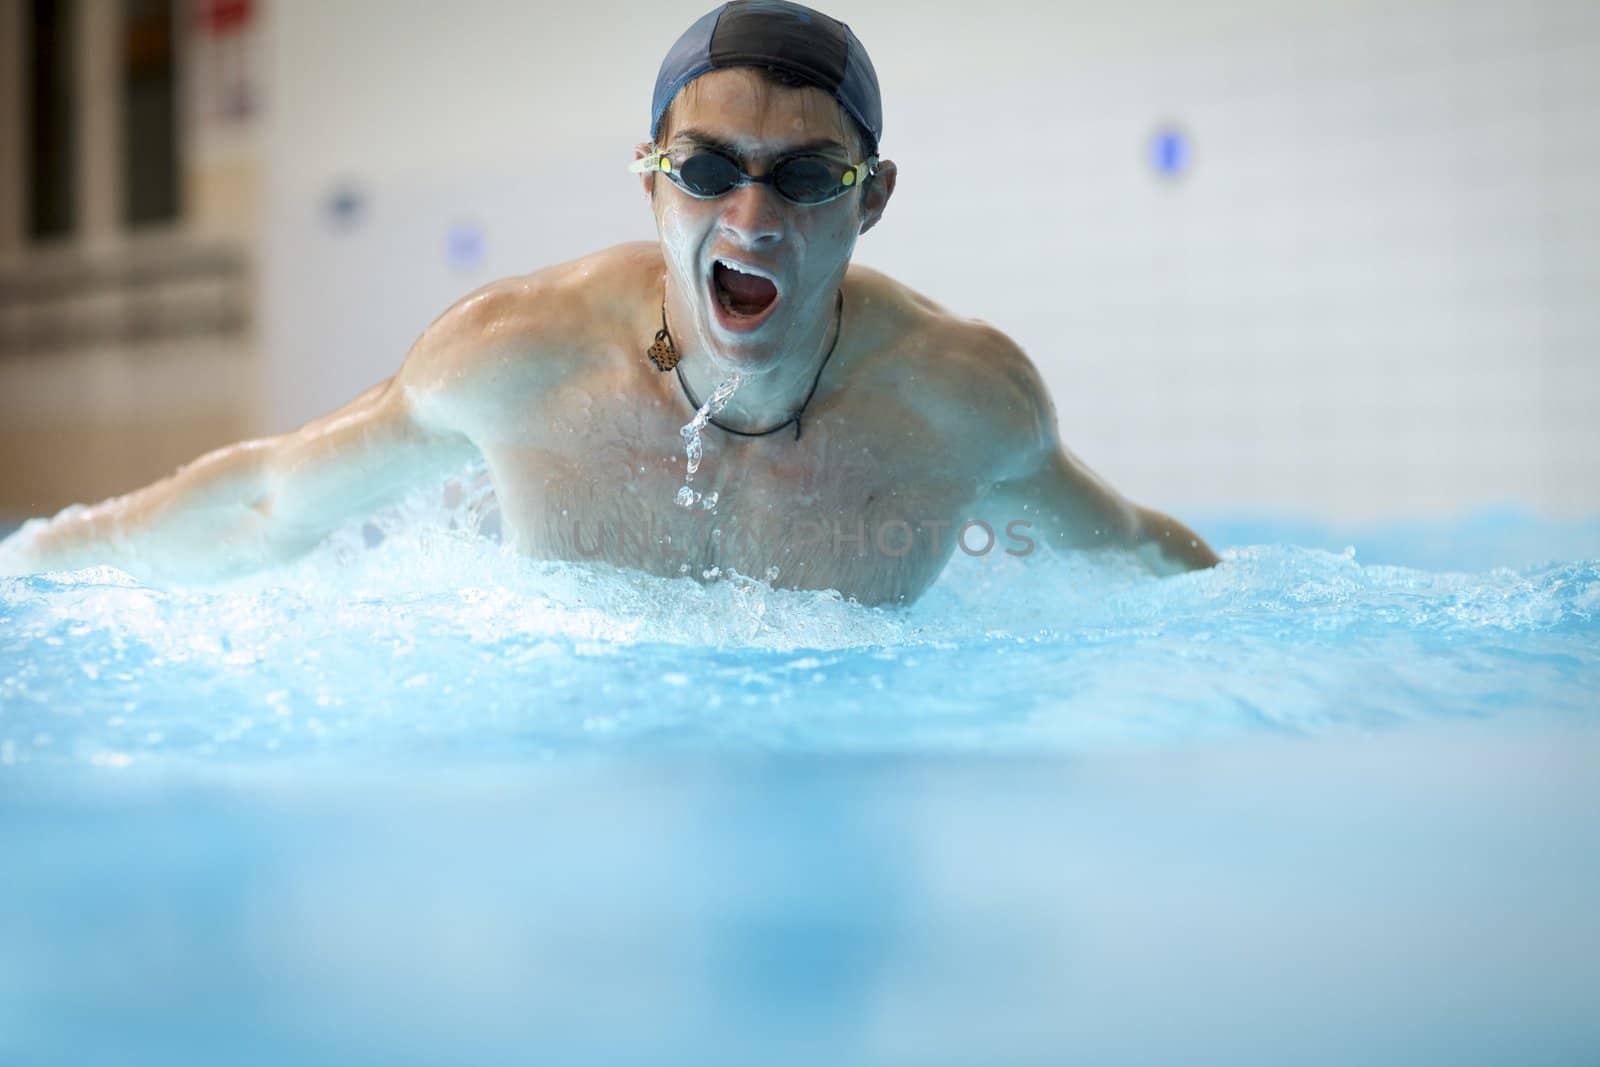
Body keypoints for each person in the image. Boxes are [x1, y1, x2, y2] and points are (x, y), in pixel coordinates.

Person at [4, 0, 1220, 607]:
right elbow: (271, 499)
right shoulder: (515, 357)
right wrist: (36, 564)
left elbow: (1129, 559)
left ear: (873, 198)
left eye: (804, 176)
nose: (750, 221)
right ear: (651, 181)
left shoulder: (958, 402)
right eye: (705, 171)